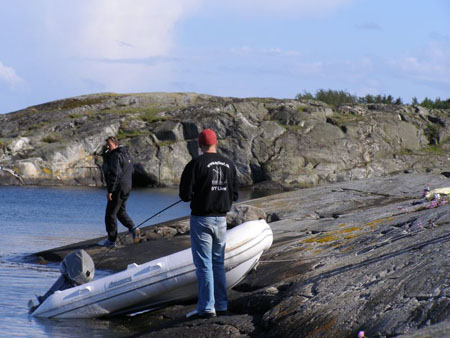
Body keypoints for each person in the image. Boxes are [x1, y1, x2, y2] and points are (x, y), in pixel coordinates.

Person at [179, 128, 239, 319]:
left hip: (202, 220)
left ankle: (206, 307)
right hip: (221, 219)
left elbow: (185, 195)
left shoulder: (195, 164)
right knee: (218, 263)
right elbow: (235, 194)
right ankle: (221, 305)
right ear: (216, 143)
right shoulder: (229, 164)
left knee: (204, 265)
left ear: (200, 144)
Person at [98, 136, 139, 247]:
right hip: (127, 187)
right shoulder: (126, 154)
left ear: (115, 144)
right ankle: (134, 229)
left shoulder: (116, 155)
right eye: (106, 145)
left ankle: (111, 241)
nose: (107, 147)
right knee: (120, 211)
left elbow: (115, 173)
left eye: (109, 145)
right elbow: (131, 170)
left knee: (110, 214)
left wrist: (111, 190)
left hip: (118, 188)